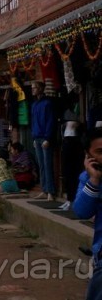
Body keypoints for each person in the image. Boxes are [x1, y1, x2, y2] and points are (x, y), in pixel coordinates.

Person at [70, 127, 102, 300]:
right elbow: (81, 211)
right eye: (100, 152)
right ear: (88, 155)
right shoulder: (88, 178)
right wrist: (95, 180)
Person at [31, 80, 57, 201]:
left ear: (41, 89)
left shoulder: (48, 103)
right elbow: (33, 122)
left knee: (47, 165)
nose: (33, 90)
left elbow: (51, 121)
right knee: (41, 165)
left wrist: (48, 138)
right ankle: (44, 189)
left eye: (35, 88)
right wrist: (33, 138)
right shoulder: (34, 104)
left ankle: (51, 191)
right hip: (37, 138)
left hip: (46, 138)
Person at [61, 91, 85, 211]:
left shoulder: (78, 111)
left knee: (75, 172)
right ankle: (69, 199)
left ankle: (73, 199)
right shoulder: (66, 113)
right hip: (67, 142)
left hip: (75, 143)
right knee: (67, 172)